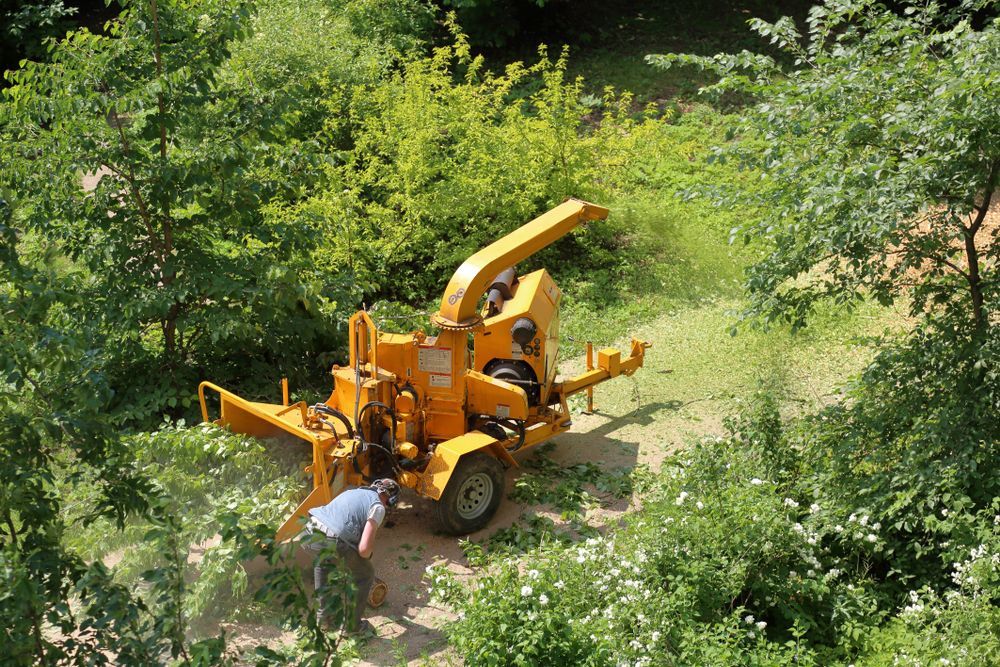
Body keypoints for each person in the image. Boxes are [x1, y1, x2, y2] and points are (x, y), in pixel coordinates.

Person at [303, 478, 400, 635]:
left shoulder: (353, 491)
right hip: (332, 539)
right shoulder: (377, 507)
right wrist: (365, 558)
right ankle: (350, 627)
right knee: (365, 574)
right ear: (389, 498)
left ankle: (324, 620)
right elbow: (364, 550)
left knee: (323, 564)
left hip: (310, 532)